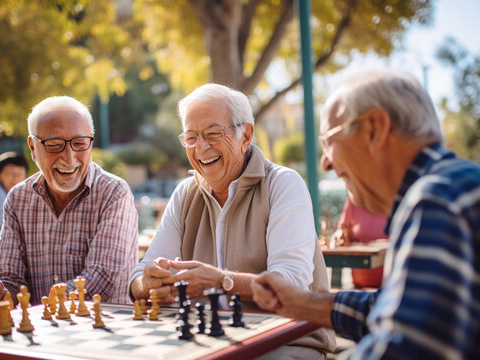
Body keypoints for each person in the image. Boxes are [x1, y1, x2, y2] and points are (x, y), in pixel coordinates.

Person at [251, 69, 480, 359]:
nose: (325, 162)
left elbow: (403, 350)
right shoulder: (455, 184)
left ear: (375, 128)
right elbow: (396, 310)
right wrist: (304, 304)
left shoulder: (435, 201)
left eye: (328, 142)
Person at [129, 84, 335, 358]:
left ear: (246, 135)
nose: (201, 147)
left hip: (288, 342)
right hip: (209, 343)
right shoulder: (185, 193)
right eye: (191, 137)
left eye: (213, 133)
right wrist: (148, 284)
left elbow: (291, 285)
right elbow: (137, 278)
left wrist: (222, 281)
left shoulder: (283, 184)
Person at [0, 96, 139, 313]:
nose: (68, 158)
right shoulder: (18, 199)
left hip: (103, 334)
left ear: (91, 142)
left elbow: (100, 281)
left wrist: (45, 305)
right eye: (54, 145)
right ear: (32, 147)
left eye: (79, 143)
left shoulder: (113, 193)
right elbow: (8, 280)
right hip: (40, 336)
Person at [334, 197, 388, 288]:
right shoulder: (353, 201)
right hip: (360, 287)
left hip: (393, 286)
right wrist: (339, 236)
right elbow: (341, 230)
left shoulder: (396, 198)